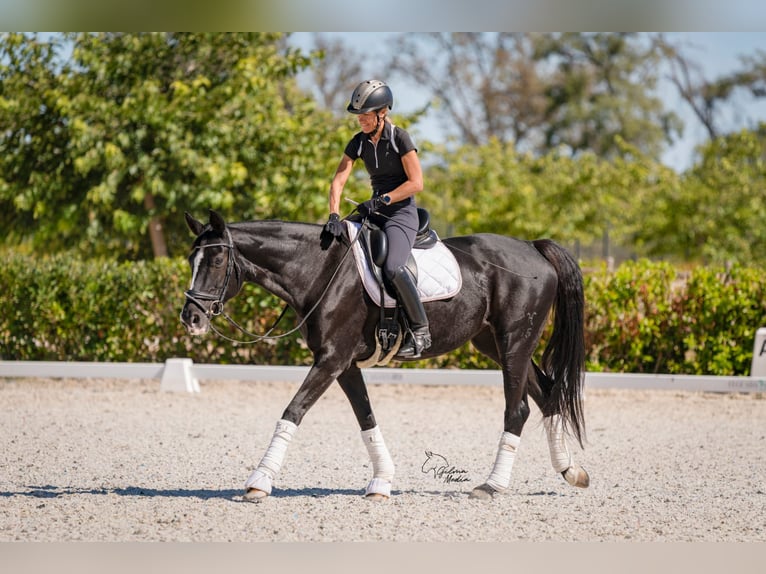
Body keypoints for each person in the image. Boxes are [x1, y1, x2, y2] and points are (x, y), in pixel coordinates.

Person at [323, 79, 431, 358]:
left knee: (393, 267)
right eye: (358, 116)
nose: (360, 120)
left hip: (401, 212)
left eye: (366, 116)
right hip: (374, 210)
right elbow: (338, 180)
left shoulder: (400, 138)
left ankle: (420, 331)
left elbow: (416, 183)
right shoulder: (358, 142)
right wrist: (334, 214)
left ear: (382, 113)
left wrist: (384, 199)